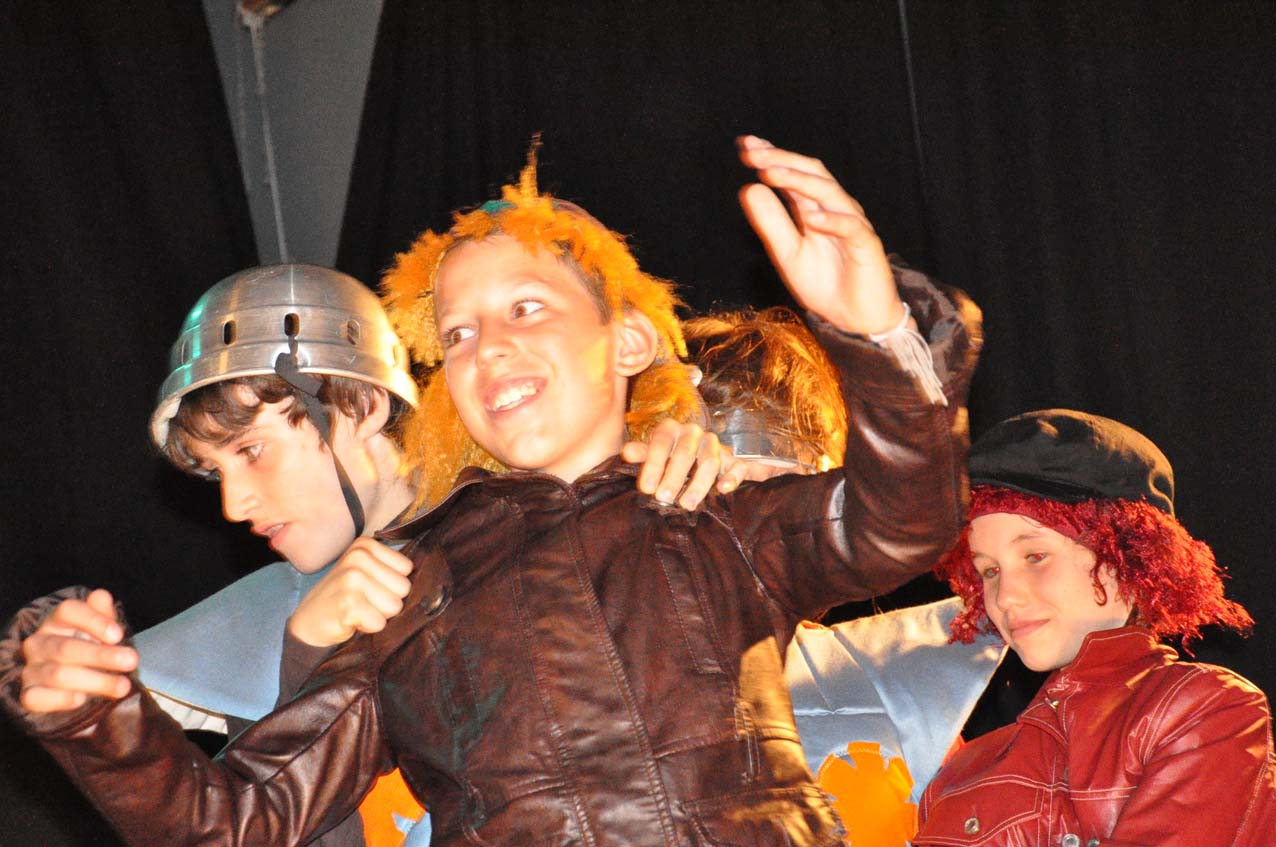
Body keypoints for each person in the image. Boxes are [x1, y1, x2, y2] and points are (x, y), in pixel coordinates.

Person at [3, 136, 981, 847]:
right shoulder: (411, 584)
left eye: (526, 308)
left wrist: (880, 335)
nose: (489, 346)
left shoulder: (712, 509)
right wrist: (96, 718)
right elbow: (242, 818)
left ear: (628, 341)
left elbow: (901, 522)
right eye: (459, 333)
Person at [132, 265, 744, 847]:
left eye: (252, 451)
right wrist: (304, 657)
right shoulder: (268, 625)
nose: (234, 505)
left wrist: (675, 453)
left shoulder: (529, 531)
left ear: (362, 408)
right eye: (217, 473)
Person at [683, 307, 1004, 847]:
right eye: (718, 501)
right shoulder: (573, 675)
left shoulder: (888, 686)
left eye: (774, 498)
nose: (748, 537)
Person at [914, 409, 1275, 846]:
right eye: (989, 570)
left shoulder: (1202, 708)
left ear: (1129, 559)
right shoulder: (961, 770)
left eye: (1035, 557)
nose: (1005, 597)